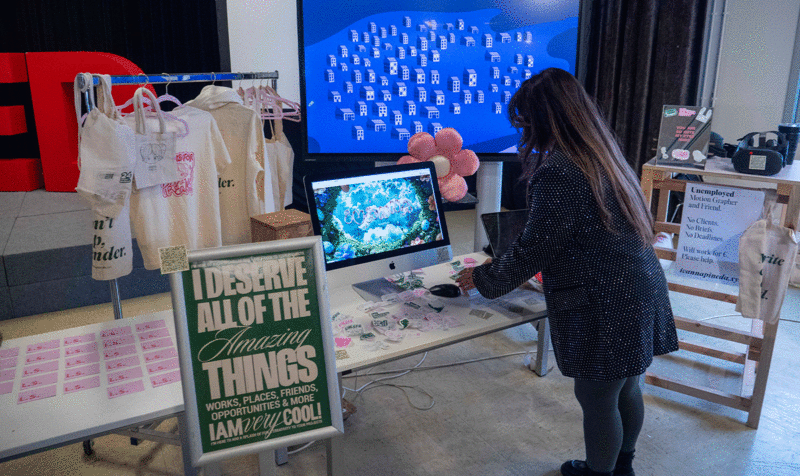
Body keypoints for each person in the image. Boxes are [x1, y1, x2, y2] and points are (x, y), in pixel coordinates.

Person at [455, 68, 679, 476]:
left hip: (605, 297)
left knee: (596, 397)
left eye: (526, 122)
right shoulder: (603, 153)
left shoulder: (560, 171)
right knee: (627, 385)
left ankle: (600, 472)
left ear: (546, 119)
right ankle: (621, 466)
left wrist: (487, 278)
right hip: (639, 284)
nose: (523, 133)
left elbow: (537, 247)